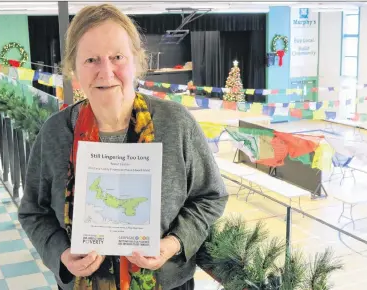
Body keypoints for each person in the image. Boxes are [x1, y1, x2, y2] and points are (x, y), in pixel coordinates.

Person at [18, 4, 228, 290]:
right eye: (91, 59)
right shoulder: (56, 132)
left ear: (137, 60)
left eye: (117, 57)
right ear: (73, 68)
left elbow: (210, 197)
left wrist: (173, 244)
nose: (106, 72)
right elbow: (34, 211)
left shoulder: (176, 125)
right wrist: (61, 255)